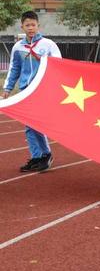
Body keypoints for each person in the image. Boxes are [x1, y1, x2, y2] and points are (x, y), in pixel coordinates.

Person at [2, 11, 62, 172]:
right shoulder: (18, 47)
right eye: (27, 25)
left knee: (34, 124)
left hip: (42, 90)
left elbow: (58, 65)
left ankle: (44, 154)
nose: (30, 28)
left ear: (38, 26)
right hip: (25, 90)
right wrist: (7, 89)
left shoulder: (48, 45)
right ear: (22, 26)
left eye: (33, 25)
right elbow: (14, 68)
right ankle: (38, 156)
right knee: (30, 125)